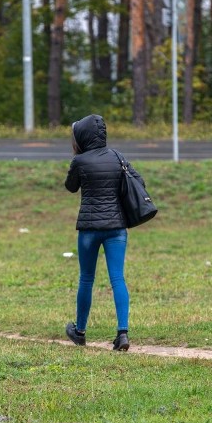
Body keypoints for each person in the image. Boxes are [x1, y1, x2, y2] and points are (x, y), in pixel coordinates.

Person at [64, 114, 144, 352]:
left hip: (89, 229)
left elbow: (70, 187)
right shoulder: (117, 156)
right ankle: (122, 333)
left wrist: (77, 161)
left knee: (86, 279)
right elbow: (138, 180)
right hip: (116, 228)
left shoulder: (80, 161)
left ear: (83, 136)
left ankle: (80, 331)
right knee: (117, 278)